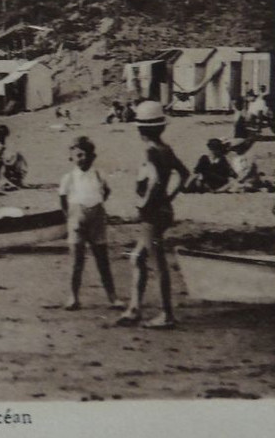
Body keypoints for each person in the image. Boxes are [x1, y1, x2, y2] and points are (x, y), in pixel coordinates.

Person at [118, 100, 190, 328]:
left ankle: (167, 314)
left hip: (153, 213)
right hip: (163, 210)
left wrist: (144, 202)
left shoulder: (150, 151)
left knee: (157, 262)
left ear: (141, 129)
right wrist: (169, 197)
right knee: (138, 258)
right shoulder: (166, 149)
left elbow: (156, 180)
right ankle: (134, 308)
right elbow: (184, 174)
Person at [58, 136, 122, 310]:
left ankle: (112, 297)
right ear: (71, 157)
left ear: (93, 157)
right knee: (76, 261)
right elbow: (63, 199)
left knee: (102, 259)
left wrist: (97, 206)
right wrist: (70, 216)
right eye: (78, 155)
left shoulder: (98, 174)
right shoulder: (69, 177)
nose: (82, 159)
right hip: (76, 219)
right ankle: (73, 297)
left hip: (97, 219)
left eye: (86, 155)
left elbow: (106, 191)